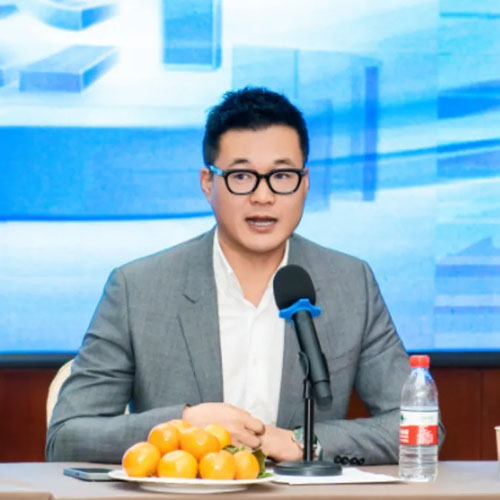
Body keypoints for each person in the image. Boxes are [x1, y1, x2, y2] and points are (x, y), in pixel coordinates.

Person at [46, 87, 441, 465]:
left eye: (281, 176)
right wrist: (183, 425)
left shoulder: (350, 283)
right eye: (241, 176)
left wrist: (300, 442)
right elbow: (67, 435)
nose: (263, 196)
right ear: (208, 184)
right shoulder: (139, 289)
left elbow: (420, 427)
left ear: (304, 183)